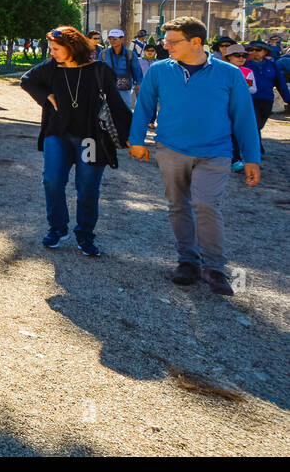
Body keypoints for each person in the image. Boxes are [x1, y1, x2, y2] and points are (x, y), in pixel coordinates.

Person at [128, 17, 261, 296]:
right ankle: (187, 261)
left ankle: (214, 267)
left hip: (215, 152)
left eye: (172, 42)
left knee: (205, 204)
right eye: (166, 42)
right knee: (178, 205)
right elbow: (144, 107)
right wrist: (136, 140)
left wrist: (251, 157)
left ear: (196, 42)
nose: (166, 47)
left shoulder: (229, 74)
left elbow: (244, 118)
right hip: (171, 149)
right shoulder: (159, 71)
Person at [20, 26, 132, 257]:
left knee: (87, 188)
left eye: (56, 49)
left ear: (72, 47)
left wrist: (133, 136)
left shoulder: (99, 71)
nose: (52, 53)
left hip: (91, 138)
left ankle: (85, 234)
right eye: (51, 48)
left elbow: (117, 105)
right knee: (51, 180)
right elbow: (27, 80)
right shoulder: (51, 68)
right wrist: (46, 96)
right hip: (57, 135)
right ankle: (58, 228)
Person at [244, 40, 290, 150]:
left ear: (265, 51)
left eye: (258, 49)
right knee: (254, 124)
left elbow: (281, 83)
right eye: (251, 49)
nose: (254, 52)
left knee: (259, 125)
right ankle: (257, 148)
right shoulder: (245, 65)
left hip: (267, 100)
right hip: (250, 99)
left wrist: (288, 99)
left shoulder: (272, 65)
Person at [222, 43, 255, 173]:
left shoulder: (248, 72)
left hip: (240, 107)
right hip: (223, 106)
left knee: (236, 133)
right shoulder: (221, 71)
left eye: (244, 55)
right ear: (229, 57)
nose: (241, 58)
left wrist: (242, 90)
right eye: (237, 55)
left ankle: (236, 159)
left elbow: (253, 89)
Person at [100, 28, 143, 110]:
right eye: (110, 38)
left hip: (124, 87)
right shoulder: (104, 53)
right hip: (108, 86)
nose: (112, 41)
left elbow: (137, 70)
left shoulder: (130, 54)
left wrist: (139, 84)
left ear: (122, 39)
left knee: (125, 110)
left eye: (115, 39)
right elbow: (99, 70)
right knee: (108, 113)